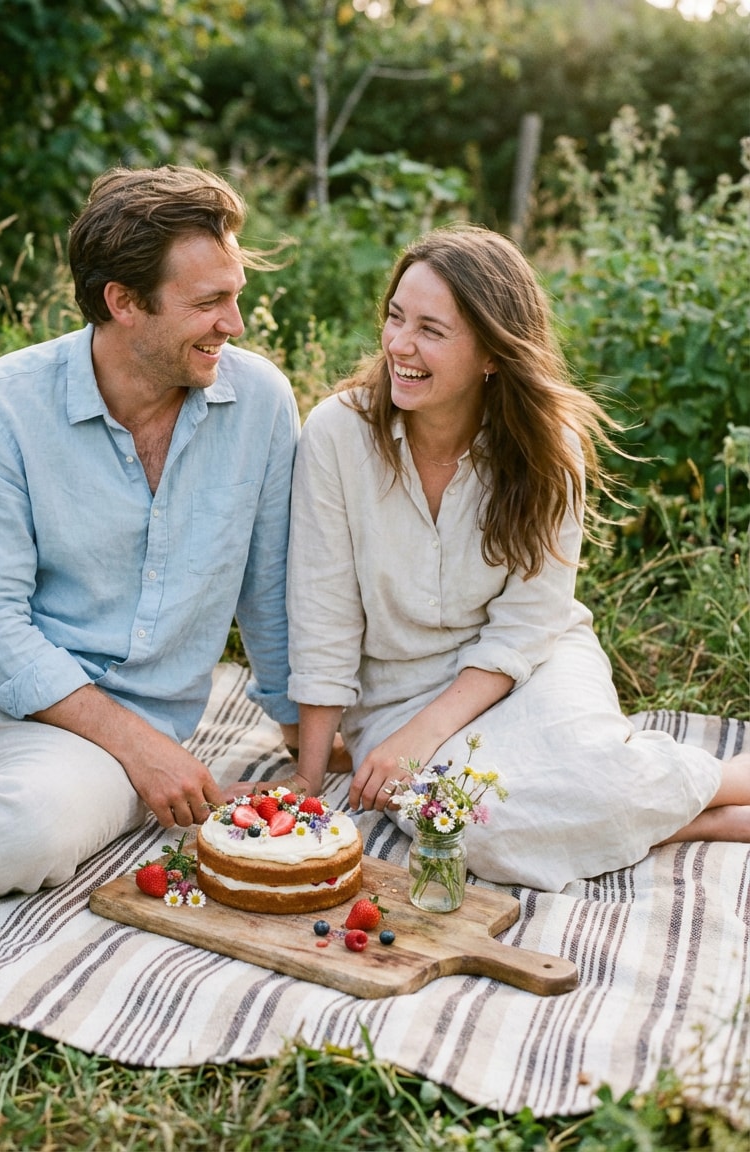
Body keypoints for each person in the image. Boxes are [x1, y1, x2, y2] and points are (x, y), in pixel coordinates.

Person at [0, 164, 304, 914]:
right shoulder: (2, 403)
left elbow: (269, 592)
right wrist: (149, 750)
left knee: (33, 832)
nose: (235, 324)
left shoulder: (262, 404)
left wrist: (306, 733)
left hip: (79, 751)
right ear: (123, 303)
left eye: (235, 295)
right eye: (210, 303)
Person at [284, 222, 750, 892]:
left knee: (582, 772)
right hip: (396, 688)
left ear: (493, 354)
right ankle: (697, 816)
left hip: (530, 662)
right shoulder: (337, 433)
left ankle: (724, 780)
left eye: (431, 330)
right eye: (394, 317)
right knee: (472, 826)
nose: (399, 345)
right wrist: (308, 775)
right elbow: (323, 611)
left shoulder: (546, 446)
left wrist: (425, 737)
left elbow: (531, 620)